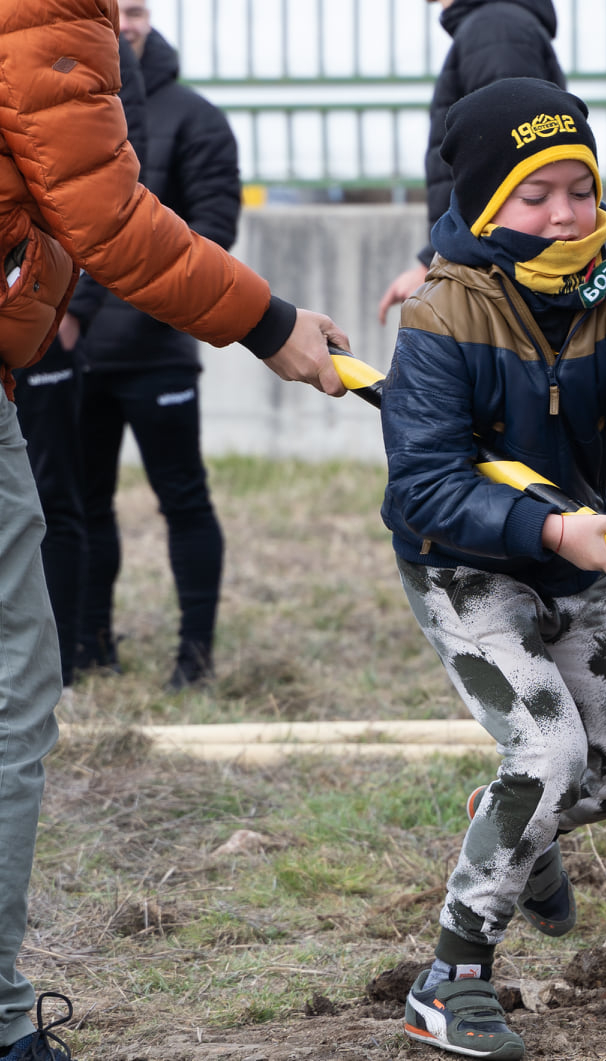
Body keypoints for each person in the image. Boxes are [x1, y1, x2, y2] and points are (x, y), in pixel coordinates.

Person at [0, 1, 351, 1057]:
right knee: (16, 687)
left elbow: (161, 205)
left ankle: (194, 649)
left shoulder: (177, 103)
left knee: (168, 505)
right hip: (86, 344)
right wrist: (269, 320)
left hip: (122, 346)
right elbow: (107, 213)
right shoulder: (45, 15)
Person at [381, 78, 606, 1060]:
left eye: (577, 188)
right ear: (488, 202)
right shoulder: (441, 313)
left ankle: (512, 820)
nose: (563, 214)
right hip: (466, 568)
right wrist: (547, 532)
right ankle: (448, 977)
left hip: (575, 563)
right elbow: (425, 484)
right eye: (534, 193)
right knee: (545, 754)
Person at [65, 0, 245, 689]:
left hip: (156, 352)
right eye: (114, 9)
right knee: (83, 506)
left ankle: (193, 660)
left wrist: (118, 313)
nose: (125, 24)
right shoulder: (68, 118)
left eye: (135, 9)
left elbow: (211, 236)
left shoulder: (196, 118)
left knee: (183, 500)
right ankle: (90, 649)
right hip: (75, 359)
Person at [10, 33, 146, 690]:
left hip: (50, 322)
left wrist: (75, 309)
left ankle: (60, 668)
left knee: (56, 499)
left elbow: (114, 207)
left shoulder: (101, 61)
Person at [376, 0, 564, 325]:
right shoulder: (491, 26)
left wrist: (439, 257)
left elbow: (508, 153)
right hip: (494, 258)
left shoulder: (495, 29)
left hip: (501, 264)